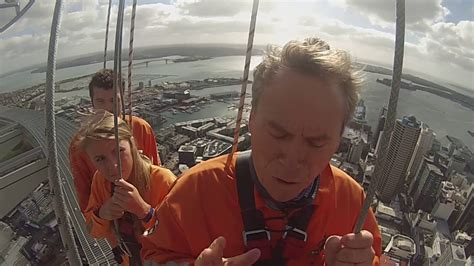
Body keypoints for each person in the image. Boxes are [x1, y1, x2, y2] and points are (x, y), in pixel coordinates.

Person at [141, 37, 382, 265]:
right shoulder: (194, 191)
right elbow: (151, 255)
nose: (292, 159)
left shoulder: (352, 204)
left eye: (316, 142)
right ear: (251, 120)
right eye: (278, 134)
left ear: (338, 141)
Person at [77, 111, 175, 265]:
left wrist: (144, 211)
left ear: (132, 145)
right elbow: (92, 231)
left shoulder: (162, 180)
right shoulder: (101, 181)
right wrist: (102, 214)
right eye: (100, 159)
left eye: (118, 151)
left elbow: (180, 236)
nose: (113, 166)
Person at [69, 69, 161, 213]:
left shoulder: (141, 128)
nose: (108, 109)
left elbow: (157, 174)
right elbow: (85, 196)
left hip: (147, 212)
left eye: (114, 101)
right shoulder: (80, 144)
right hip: (115, 222)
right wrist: (102, 213)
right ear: (92, 103)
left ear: (122, 100)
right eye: (100, 101)